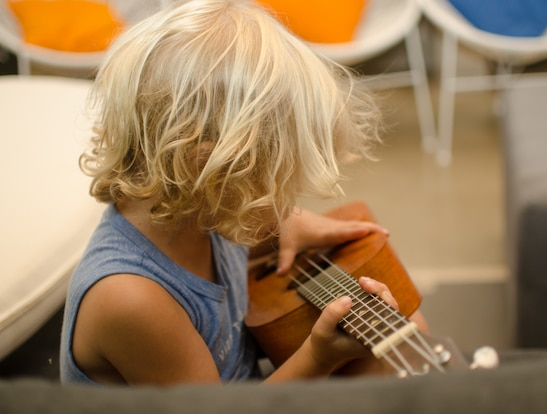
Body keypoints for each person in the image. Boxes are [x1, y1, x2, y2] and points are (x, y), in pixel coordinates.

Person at [60, 0, 426, 386]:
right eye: (281, 185)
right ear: (212, 168)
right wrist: (318, 356)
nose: (289, 204)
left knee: (403, 330)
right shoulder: (133, 300)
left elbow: (243, 234)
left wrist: (291, 227)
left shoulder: (195, 208)